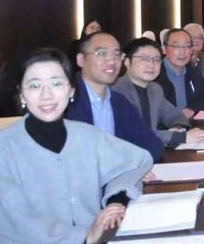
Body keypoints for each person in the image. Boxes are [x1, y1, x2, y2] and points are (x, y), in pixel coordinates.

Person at [0, 48, 152, 244]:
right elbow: (9, 222)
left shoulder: (87, 136)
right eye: (34, 86)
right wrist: (84, 236)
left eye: (56, 83)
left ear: (71, 90)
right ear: (22, 95)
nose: (47, 95)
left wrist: (116, 200)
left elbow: (136, 162)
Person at [66, 32, 164, 161]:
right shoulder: (64, 101)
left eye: (117, 55)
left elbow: (153, 146)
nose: (112, 61)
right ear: (81, 60)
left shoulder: (120, 103)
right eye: (101, 53)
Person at [113, 38, 204, 148]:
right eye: (144, 59)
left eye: (156, 59)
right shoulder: (118, 91)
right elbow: (136, 133)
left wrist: (179, 129)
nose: (151, 64)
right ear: (127, 62)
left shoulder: (154, 89)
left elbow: (176, 116)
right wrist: (179, 137)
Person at [155, 29, 204, 117]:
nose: (182, 52)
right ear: (164, 49)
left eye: (187, 46)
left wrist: (192, 109)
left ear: (192, 50)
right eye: (176, 46)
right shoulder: (156, 75)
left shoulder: (191, 71)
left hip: (189, 123)